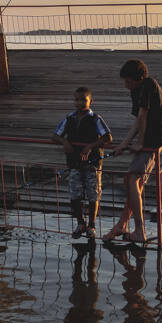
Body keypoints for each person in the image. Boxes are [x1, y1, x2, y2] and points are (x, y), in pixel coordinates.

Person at [105, 59, 162, 243]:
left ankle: (139, 230)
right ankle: (122, 225)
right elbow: (137, 121)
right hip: (147, 139)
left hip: (154, 140)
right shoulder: (136, 90)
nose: (126, 85)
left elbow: (143, 115)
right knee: (135, 182)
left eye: (129, 82)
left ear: (139, 78)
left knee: (132, 178)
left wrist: (140, 143)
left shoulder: (149, 85)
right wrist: (124, 144)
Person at [53, 87, 113, 239]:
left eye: (83, 100)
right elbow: (55, 135)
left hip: (92, 163)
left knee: (93, 194)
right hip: (74, 163)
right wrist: (64, 141)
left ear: (90, 101)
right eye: (77, 100)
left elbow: (107, 137)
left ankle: (92, 225)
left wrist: (91, 146)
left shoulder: (96, 119)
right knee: (75, 194)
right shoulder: (69, 118)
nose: (79, 103)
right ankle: (80, 223)